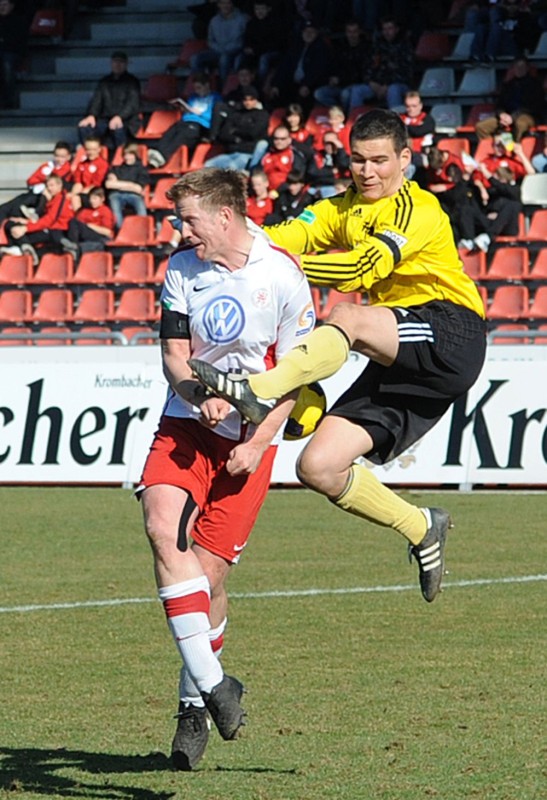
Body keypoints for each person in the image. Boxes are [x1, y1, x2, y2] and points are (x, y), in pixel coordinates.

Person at [188, 109, 487, 605]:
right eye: (358, 161)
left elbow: (359, 269)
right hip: (403, 355)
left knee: (346, 314)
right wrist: (234, 239)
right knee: (318, 466)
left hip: (450, 331)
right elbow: (279, 237)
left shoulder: (420, 209)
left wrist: (283, 264)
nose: (368, 171)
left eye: (379, 161)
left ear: (405, 159)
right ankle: (422, 527)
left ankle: (261, 391)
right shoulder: (336, 210)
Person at [137, 167, 315, 770]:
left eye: (189, 220)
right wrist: (195, 392)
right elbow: (173, 355)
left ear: (225, 216)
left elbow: (297, 375)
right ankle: (215, 686)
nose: (183, 232)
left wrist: (261, 442)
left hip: (249, 441)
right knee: (164, 529)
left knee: (208, 579)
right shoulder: (181, 270)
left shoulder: (284, 274)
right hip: (185, 425)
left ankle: (193, 704)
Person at [147, 73, 221, 168]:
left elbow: (213, 116)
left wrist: (199, 113)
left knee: (183, 135)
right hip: (187, 121)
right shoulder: (193, 97)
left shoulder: (215, 98)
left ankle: (164, 157)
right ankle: (158, 151)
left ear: (206, 85)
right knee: (171, 131)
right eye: (195, 88)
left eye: (199, 88)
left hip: (201, 125)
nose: (197, 91)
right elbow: (188, 112)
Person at [1, 174, 74, 265]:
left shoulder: (61, 199)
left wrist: (26, 228)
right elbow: (42, 219)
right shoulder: (52, 199)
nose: (49, 189)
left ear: (60, 185)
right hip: (46, 228)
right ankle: (22, 248)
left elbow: (49, 220)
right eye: (47, 186)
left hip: (53, 231)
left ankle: (22, 249)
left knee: (18, 232)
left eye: (52, 185)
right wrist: (26, 222)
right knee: (10, 223)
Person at [345, 16, 414, 111]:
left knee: (393, 90)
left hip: (398, 85)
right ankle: (355, 121)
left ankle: (395, 122)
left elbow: (406, 72)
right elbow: (367, 67)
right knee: (357, 90)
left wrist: (386, 85)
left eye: (390, 28)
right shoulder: (376, 46)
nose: (387, 32)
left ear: (396, 29)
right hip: (376, 85)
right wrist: (371, 82)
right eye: (384, 29)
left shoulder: (405, 46)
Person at [77, 51, 141, 151]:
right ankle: (88, 155)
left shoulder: (132, 82)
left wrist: (120, 117)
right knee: (84, 128)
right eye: (115, 62)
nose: (117, 65)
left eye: (121, 62)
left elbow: (132, 104)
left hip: (126, 120)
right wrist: (91, 115)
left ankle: (120, 157)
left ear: (126, 64)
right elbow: (96, 100)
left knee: (118, 129)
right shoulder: (104, 82)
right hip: (104, 119)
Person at [0, 141, 73, 224]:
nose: (59, 159)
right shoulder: (47, 166)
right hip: (34, 194)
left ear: (69, 157)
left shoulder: (69, 171)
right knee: (4, 208)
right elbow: (31, 180)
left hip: (43, 199)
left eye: (62, 156)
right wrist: (43, 183)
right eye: (57, 156)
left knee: (15, 211)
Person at [204, 86, 270, 171]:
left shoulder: (262, 115)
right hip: (232, 152)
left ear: (256, 100)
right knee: (208, 165)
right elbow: (224, 133)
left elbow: (253, 133)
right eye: (245, 99)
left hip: (248, 154)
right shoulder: (237, 114)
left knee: (231, 168)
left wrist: (235, 131)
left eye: (251, 99)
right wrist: (237, 138)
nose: (248, 102)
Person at [190, 0, 249, 85]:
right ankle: (201, 85)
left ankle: (224, 86)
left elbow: (244, 39)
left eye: (228, 3)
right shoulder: (214, 20)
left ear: (232, 4)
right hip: (217, 50)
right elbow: (210, 40)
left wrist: (227, 49)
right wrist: (219, 48)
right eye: (223, 3)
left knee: (224, 59)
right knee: (195, 58)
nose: (225, 6)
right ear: (218, 5)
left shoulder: (242, 19)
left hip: (235, 51)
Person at [60, 186, 116, 259]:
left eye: (95, 198)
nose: (92, 201)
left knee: (74, 223)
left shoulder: (105, 211)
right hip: (84, 235)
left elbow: (108, 232)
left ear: (102, 199)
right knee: (72, 222)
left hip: (99, 236)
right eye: (91, 198)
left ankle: (73, 246)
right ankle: (72, 246)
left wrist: (90, 226)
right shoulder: (85, 210)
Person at [105, 142, 151, 228]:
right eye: (125, 154)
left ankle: (143, 229)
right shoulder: (116, 168)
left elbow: (138, 188)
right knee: (114, 204)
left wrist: (118, 184)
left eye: (130, 154)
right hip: (116, 195)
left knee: (140, 206)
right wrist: (131, 185)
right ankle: (121, 231)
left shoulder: (141, 169)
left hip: (134, 195)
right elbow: (108, 184)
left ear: (135, 155)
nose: (127, 157)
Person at [260, 124, 309, 191]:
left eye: (282, 139)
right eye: (276, 139)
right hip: (266, 192)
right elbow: (259, 174)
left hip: (286, 193)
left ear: (289, 140)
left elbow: (297, 178)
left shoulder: (294, 155)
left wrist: (282, 189)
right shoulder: (267, 155)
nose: (279, 142)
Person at [70, 135, 110, 212]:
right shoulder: (82, 164)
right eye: (88, 150)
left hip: (95, 192)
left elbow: (97, 183)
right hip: (83, 190)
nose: (91, 152)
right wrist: (74, 193)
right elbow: (77, 181)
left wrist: (78, 193)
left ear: (99, 149)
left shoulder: (103, 164)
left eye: (94, 150)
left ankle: (79, 219)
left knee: (75, 198)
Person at [0, 0, 28, 109]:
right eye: (0, 5)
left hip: (12, 53)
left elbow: (18, 43)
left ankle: (9, 101)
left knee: (7, 65)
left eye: (4, 5)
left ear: (11, 6)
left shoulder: (18, 21)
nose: (2, 7)